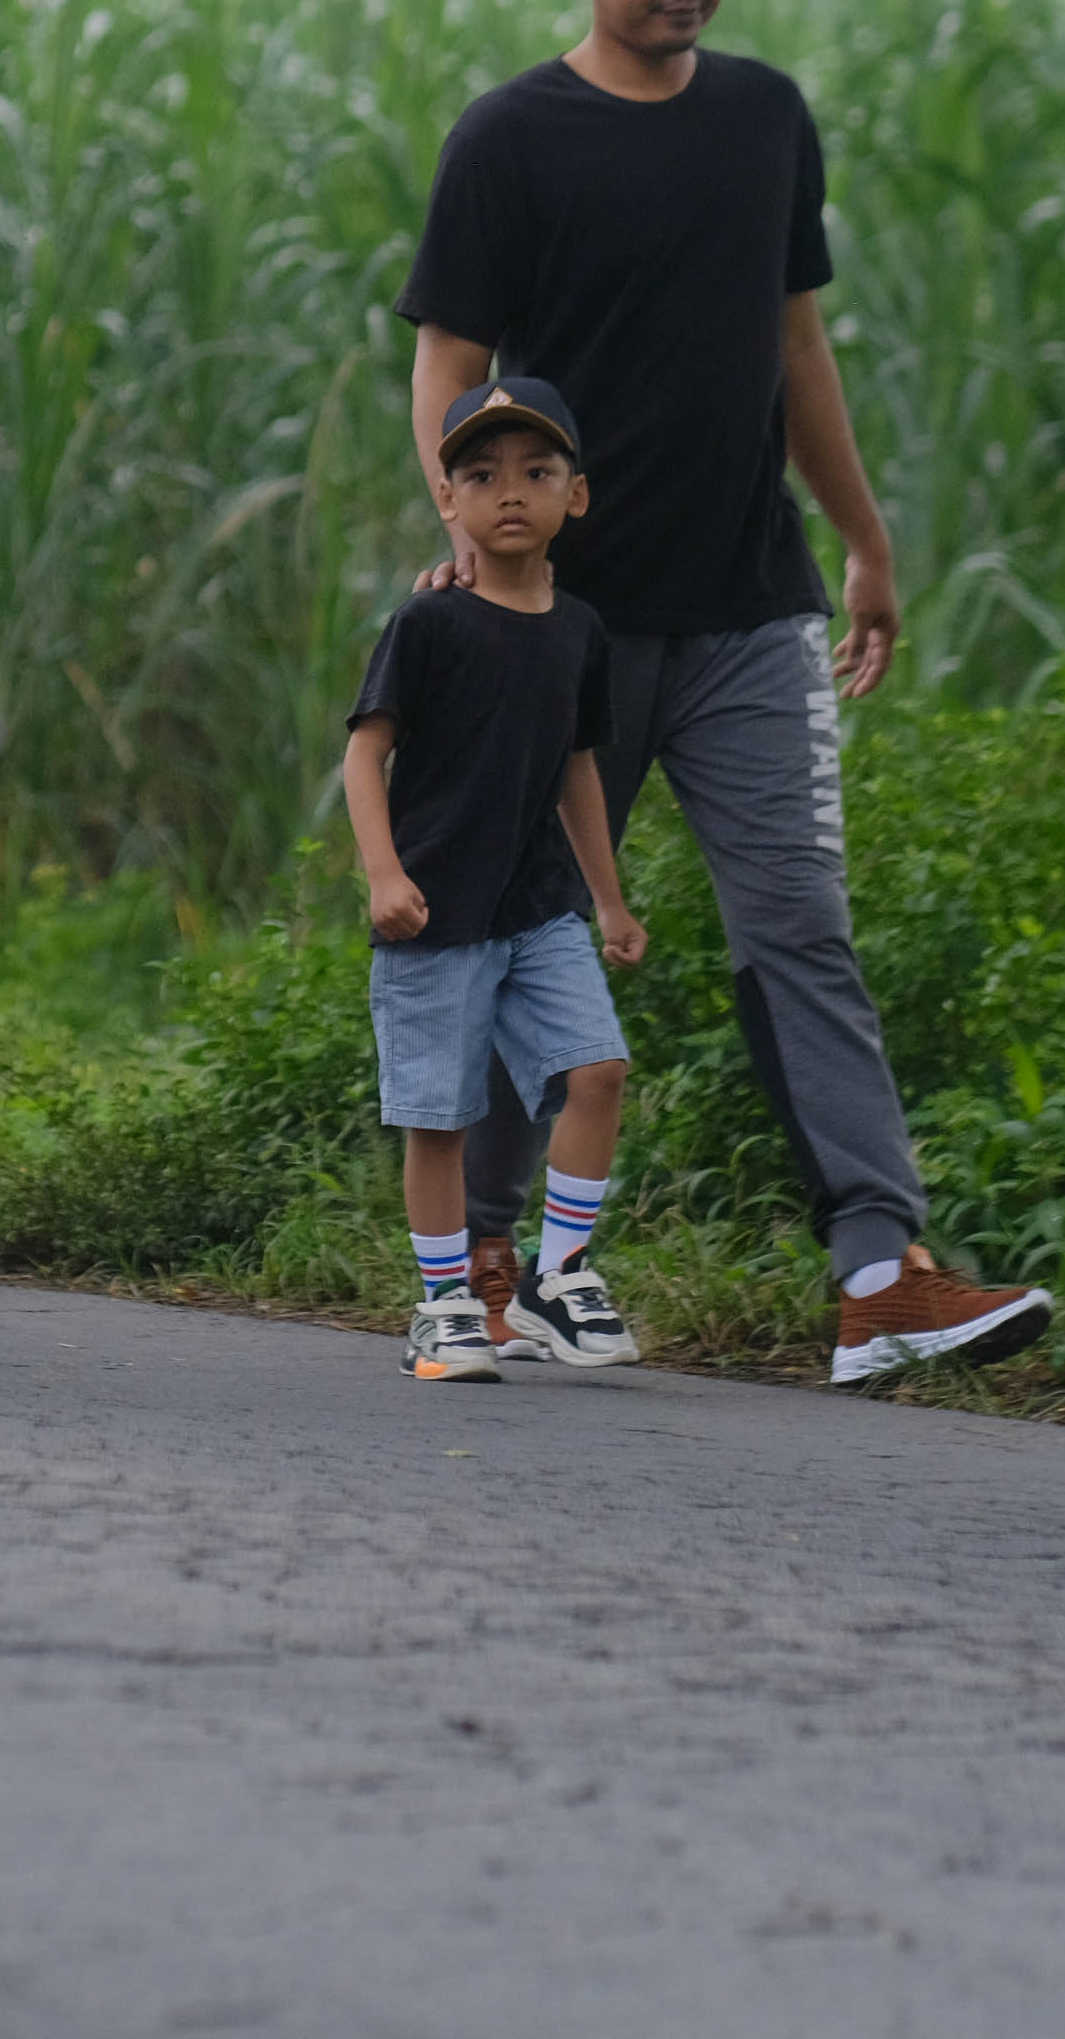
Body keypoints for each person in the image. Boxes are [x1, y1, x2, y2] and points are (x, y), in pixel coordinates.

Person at [399, 0, 1056, 1387]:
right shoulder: (510, 139)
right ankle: (483, 1267)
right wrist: (474, 541)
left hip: (752, 608)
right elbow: (448, 364)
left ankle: (880, 1272)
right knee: (519, 930)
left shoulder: (765, 119)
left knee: (800, 930)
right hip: (565, 625)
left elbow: (796, 345)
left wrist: (864, 539)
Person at [343, 378, 650, 1382]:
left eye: (536, 471)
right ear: (447, 499)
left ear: (576, 494)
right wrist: (383, 873)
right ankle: (442, 1308)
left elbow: (576, 770)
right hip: (436, 911)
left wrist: (608, 898)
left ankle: (556, 1277)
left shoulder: (581, 630)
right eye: (480, 475)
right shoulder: (429, 622)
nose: (509, 492)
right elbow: (365, 753)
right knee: (441, 1118)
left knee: (597, 1070)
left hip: (540, 908)